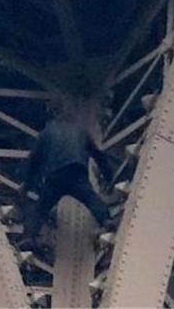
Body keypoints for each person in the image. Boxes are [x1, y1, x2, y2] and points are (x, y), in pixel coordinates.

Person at [16, 104, 113, 250]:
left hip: (55, 175)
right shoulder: (81, 131)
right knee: (91, 198)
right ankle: (106, 220)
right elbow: (98, 155)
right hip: (76, 171)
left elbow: (34, 160)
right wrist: (108, 176)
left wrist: (27, 185)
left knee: (40, 208)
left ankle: (29, 237)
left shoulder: (47, 132)